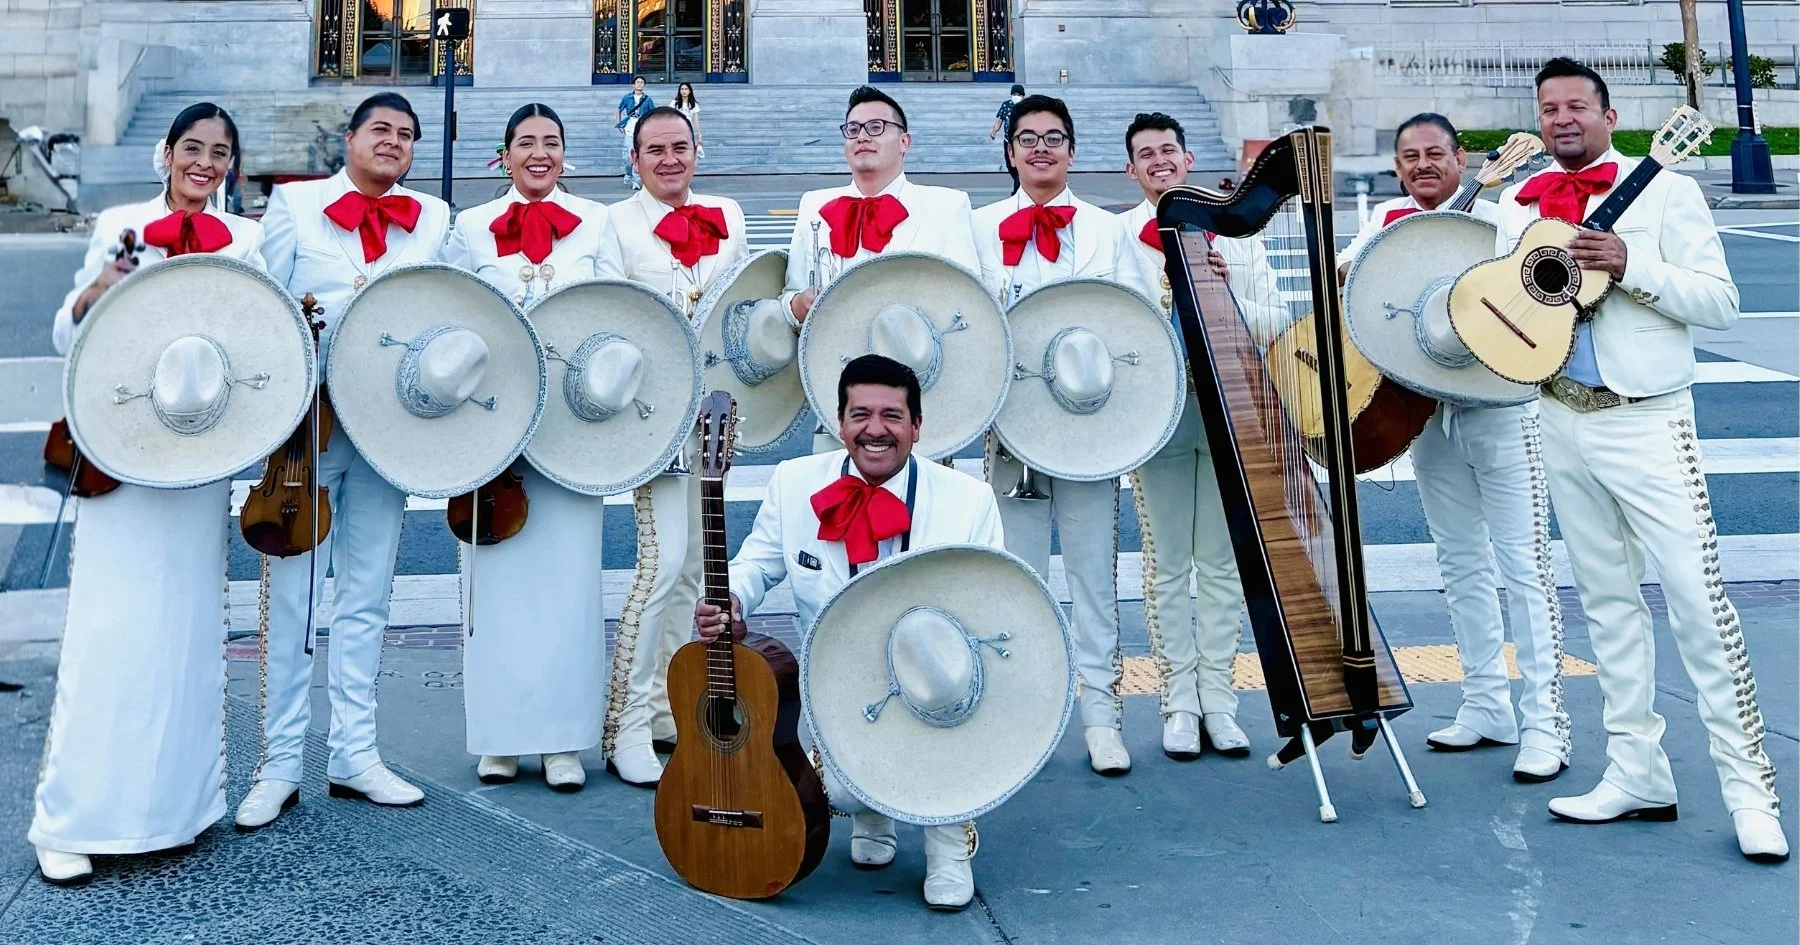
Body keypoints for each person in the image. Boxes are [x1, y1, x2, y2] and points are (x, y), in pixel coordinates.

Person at [1497, 58, 1784, 861]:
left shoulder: (1667, 190)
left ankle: (1749, 790)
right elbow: (1504, 308)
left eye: (1576, 106)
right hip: (1559, 416)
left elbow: (1720, 303)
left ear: (1608, 113)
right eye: (1548, 107)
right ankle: (1636, 772)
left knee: (1698, 603)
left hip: (1647, 420)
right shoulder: (1519, 206)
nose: (1561, 119)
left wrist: (1630, 266)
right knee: (1608, 605)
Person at [32, 103, 266, 886]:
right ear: (165, 153)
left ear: (231, 165)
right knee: (108, 631)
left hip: (200, 455)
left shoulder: (249, 241)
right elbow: (70, 337)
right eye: (191, 149)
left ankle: (177, 809)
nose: (204, 163)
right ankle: (69, 819)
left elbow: (260, 342)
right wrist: (97, 288)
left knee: (188, 632)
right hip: (122, 448)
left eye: (219, 153)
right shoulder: (123, 223)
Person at [695, 354, 1004, 911]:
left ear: (916, 427)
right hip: (837, 684)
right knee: (832, 791)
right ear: (839, 424)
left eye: (892, 415)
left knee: (945, 701)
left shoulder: (969, 501)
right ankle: (870, 813)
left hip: (935, 680)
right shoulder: (793, 483)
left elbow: (993, 612)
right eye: (860, 414)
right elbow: (756, 564)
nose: (875, 429)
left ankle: (948, 846)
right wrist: (729, 597)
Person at [1333, 112, 1575, 783]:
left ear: (1462, 159)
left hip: (1501, 408)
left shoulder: (1505, 218)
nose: (1422, 165)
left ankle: (1546, 723)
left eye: (1435, 153)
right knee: (1460, 561)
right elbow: (1349, 287)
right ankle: (1485, 702)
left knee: (1524, 566)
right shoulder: (1386, 221)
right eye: (1409, 156)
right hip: (1424, 414)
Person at [237, 92, 452, 830]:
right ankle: (279, 762)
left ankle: (356, 755)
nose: (393, 142)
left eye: (406, 135)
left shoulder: (434, 216)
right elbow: (265, 308)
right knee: (293, 600)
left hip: (390, 429)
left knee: (367, 594)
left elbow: (445, 312)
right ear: (351, 139)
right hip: (311, 431)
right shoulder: (295, 207)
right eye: (380, 130)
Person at [440, 103, 625, 793]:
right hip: (492, 417)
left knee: (569, 578)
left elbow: (616, 304)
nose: (539, 153)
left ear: (565, 155)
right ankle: (499, 736)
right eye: (526, 142)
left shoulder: (599, 221)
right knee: (492, 574)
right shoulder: (470, 226)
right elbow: (455, 309)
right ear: (505, 155)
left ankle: (561, 739)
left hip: (574, 419)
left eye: (551, 142)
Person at [970, 94, 1145, 776]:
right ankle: (1020, 717)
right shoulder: (978, 226)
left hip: (1087, 427)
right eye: (1028, 139)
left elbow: (1133, 324)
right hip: (1012, 427)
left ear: (1072, 151)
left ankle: (1102, 715)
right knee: (1016, 576)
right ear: (1010, 151)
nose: (1041, 149)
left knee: (1093, 574)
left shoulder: (1106, 228)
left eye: (1054, 138)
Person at [1114, 111, 1286, 763]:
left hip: (1229, 412)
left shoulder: (1238, 234)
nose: (1159, 160)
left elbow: (1274, 321)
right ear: (1132, 171)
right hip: (1157, 414)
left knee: (1220, 561)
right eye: (1145, 154)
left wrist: (1225, 285)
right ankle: (1176, 704)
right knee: (1166, 564)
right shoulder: (1119, 238)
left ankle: (1219, 700)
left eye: (1168, 150)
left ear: (1187, 161)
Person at [602, 105, 749, 786]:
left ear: (698, 150)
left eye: (679, 147)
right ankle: (624, 723)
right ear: (634, 159)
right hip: (654, 415)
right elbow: (612, 319)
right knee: (659, 566)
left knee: (697, 567)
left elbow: (739, 308)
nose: (668, 159)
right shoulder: (614, 222)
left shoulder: (730, 213)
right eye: (654, 149)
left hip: (714, 417)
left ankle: (667, 707)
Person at [780, 86, 980, 452]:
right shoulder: (814, 205)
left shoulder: (948, 206)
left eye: (876, 127)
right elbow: (791, 293)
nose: (862, 138)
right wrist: (798, 305)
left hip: (920, 398)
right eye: (853, 129)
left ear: (905, 141)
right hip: (835, 396)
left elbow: (968, 305)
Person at [616, 76, 655, 191]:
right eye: (637, 82)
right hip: (629, 126)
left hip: (641, 127)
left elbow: (652, 114)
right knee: (628, 156)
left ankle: (636, 180)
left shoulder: (647, 99)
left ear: (644, 85)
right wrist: (619, 124)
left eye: (641, 82)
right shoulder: (627, 97)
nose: (639, 84)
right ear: (633, 85)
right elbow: (619, 110)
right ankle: (628, 172)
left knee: (637, 154)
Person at [989, 83, 1025, 193]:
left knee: (1019, 164)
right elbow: (1000, 120)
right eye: (1014, 94)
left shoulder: (1026, 106)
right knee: (1010, 165)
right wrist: (994, 131)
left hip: (1020, 141)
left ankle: (1017, 190)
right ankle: (1019, 183)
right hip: (1007, 140)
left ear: (1023, 96)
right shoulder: (1006, 105)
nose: (1016, 96)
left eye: (1018, 94)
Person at [673, 82, 703, 161]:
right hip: (676, 130)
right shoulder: (674, 103)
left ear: (690, 91)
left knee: (688, 150)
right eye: (682, 89)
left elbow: (695, 119)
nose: (684, 91)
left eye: (686, 89)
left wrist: (699, 135)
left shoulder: (693, 104)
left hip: (688, 130)